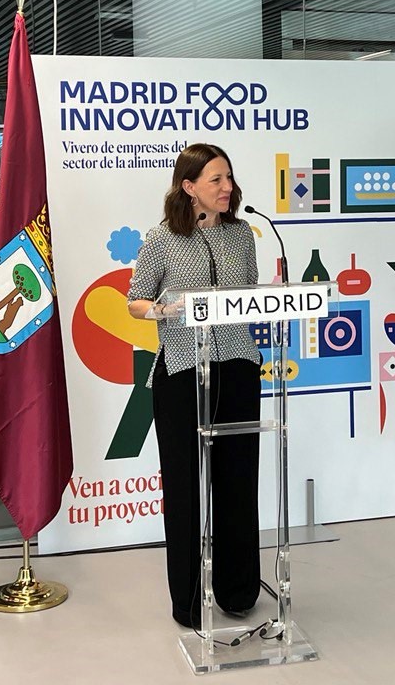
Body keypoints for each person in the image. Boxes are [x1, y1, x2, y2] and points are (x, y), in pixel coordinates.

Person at [127, 143, 262, 630]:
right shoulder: (162, 239)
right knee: (185, 488)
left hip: (238, 366)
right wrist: (166, 310)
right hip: (183, 370)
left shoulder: (242, 235)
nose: (227, 188)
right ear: (189, 187)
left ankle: (238, 591)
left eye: (229, 178)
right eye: (215, 180)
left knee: (238, 481)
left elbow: (250, 293)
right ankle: (186, 601)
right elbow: (135, 301)